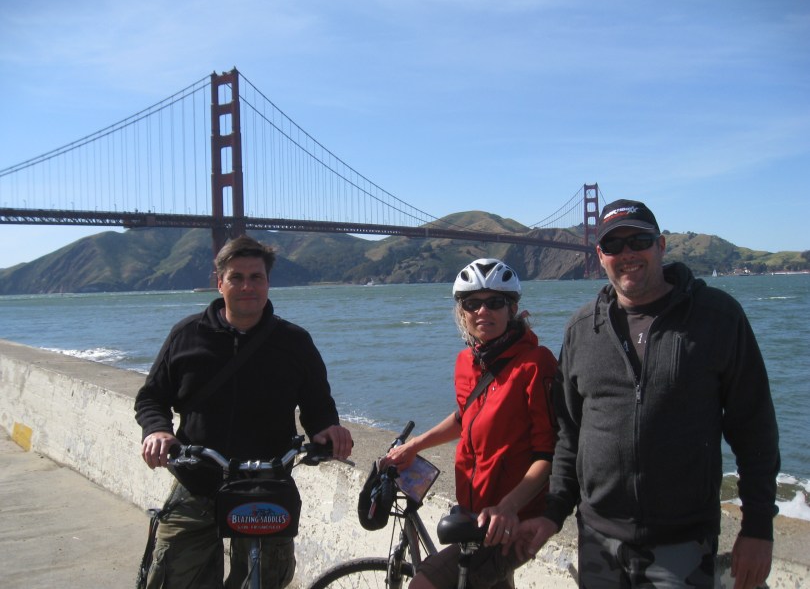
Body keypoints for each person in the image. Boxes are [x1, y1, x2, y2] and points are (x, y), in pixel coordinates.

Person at [514, 200, 780, 589]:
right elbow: (569, 435)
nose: (627, 254)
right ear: (600, 255)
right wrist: (554, 513)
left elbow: (754, 430)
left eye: (638, 240)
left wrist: (758, 528)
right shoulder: (581, 329)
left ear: (662, 245)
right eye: (613, 246)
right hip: (597, 541)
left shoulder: (717, 317)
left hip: (683, 543)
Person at [134, 235, 353, 589]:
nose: (247, 286)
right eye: (237, 277)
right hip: (198, 477)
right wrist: (157, 430)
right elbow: (151, 398)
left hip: (267, 483)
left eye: (257, 277)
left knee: (265, 580)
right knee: (171, 574)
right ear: (219, 282)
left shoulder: (294, 341)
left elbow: (318, 405)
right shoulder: (186, 335)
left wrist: (328, 429)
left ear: (268, 282)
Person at [383, 258, 558, 589]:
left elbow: (548, 455)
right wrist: (414, 445)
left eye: (495, 302)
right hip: (473, 511)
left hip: (512, 521)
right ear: (461, 311)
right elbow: (465, 418)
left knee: (423, 584)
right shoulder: (467, 362)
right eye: (471, 303)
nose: (483, 311)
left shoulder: (537, 365)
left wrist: (508, 507)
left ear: (512, 308)